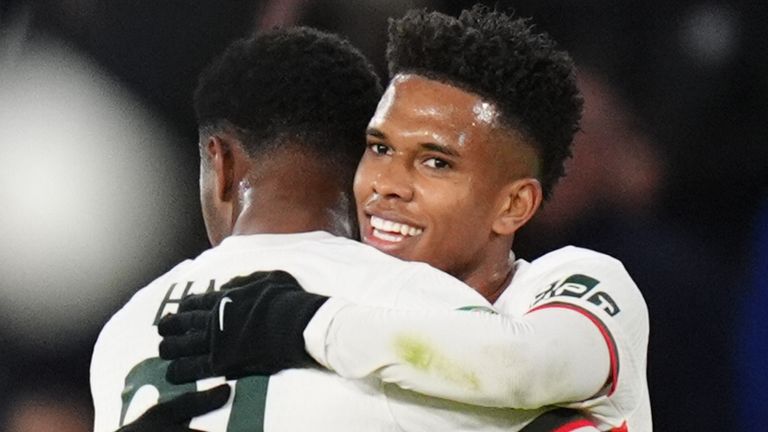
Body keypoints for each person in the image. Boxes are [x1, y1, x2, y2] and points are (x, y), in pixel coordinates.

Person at [159, 5, 650, 431]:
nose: (386, 183)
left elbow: (522, 366)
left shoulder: (575, 283)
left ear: (513, 205)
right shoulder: (355, 336)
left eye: (436, 161)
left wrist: (306, 323)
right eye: (380, 148)